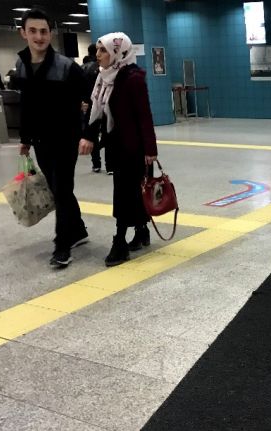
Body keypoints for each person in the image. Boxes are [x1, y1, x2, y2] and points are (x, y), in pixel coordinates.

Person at [15, 8, 89, 268]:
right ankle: (78, 229)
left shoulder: (66, 67)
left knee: (62, 189)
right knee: (59, 189)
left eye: (44, 31)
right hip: (40, 141)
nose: (39, 36)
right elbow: (25, 105)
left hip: (66, 138)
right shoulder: (22, 65)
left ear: (51, 34)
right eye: (33, 31)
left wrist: (87, 133)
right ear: (23, 33)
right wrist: (24, 138)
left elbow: (91, 96)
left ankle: (62, 245)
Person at [80, 32, 159, 267]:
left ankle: (120, 242)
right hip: (116, 146)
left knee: (124, 195)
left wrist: (150, 150)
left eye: (103, 50)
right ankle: (142, 231)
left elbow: (144, 116)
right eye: (97, 50)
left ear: (118, 51)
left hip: (134, 150)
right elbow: (98, 112)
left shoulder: (132, 78)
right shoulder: (103, 78)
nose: (98, 55)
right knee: (133, 193)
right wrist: (88, 136)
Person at [81, 43, 112, 174]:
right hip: (105, 105)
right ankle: (110, 166)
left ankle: (96, 164)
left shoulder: (83, 68)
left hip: (90, 106)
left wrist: (83, 101)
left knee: (91, 134)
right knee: (108, 133)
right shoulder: (104, 68)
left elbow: (80, 88)